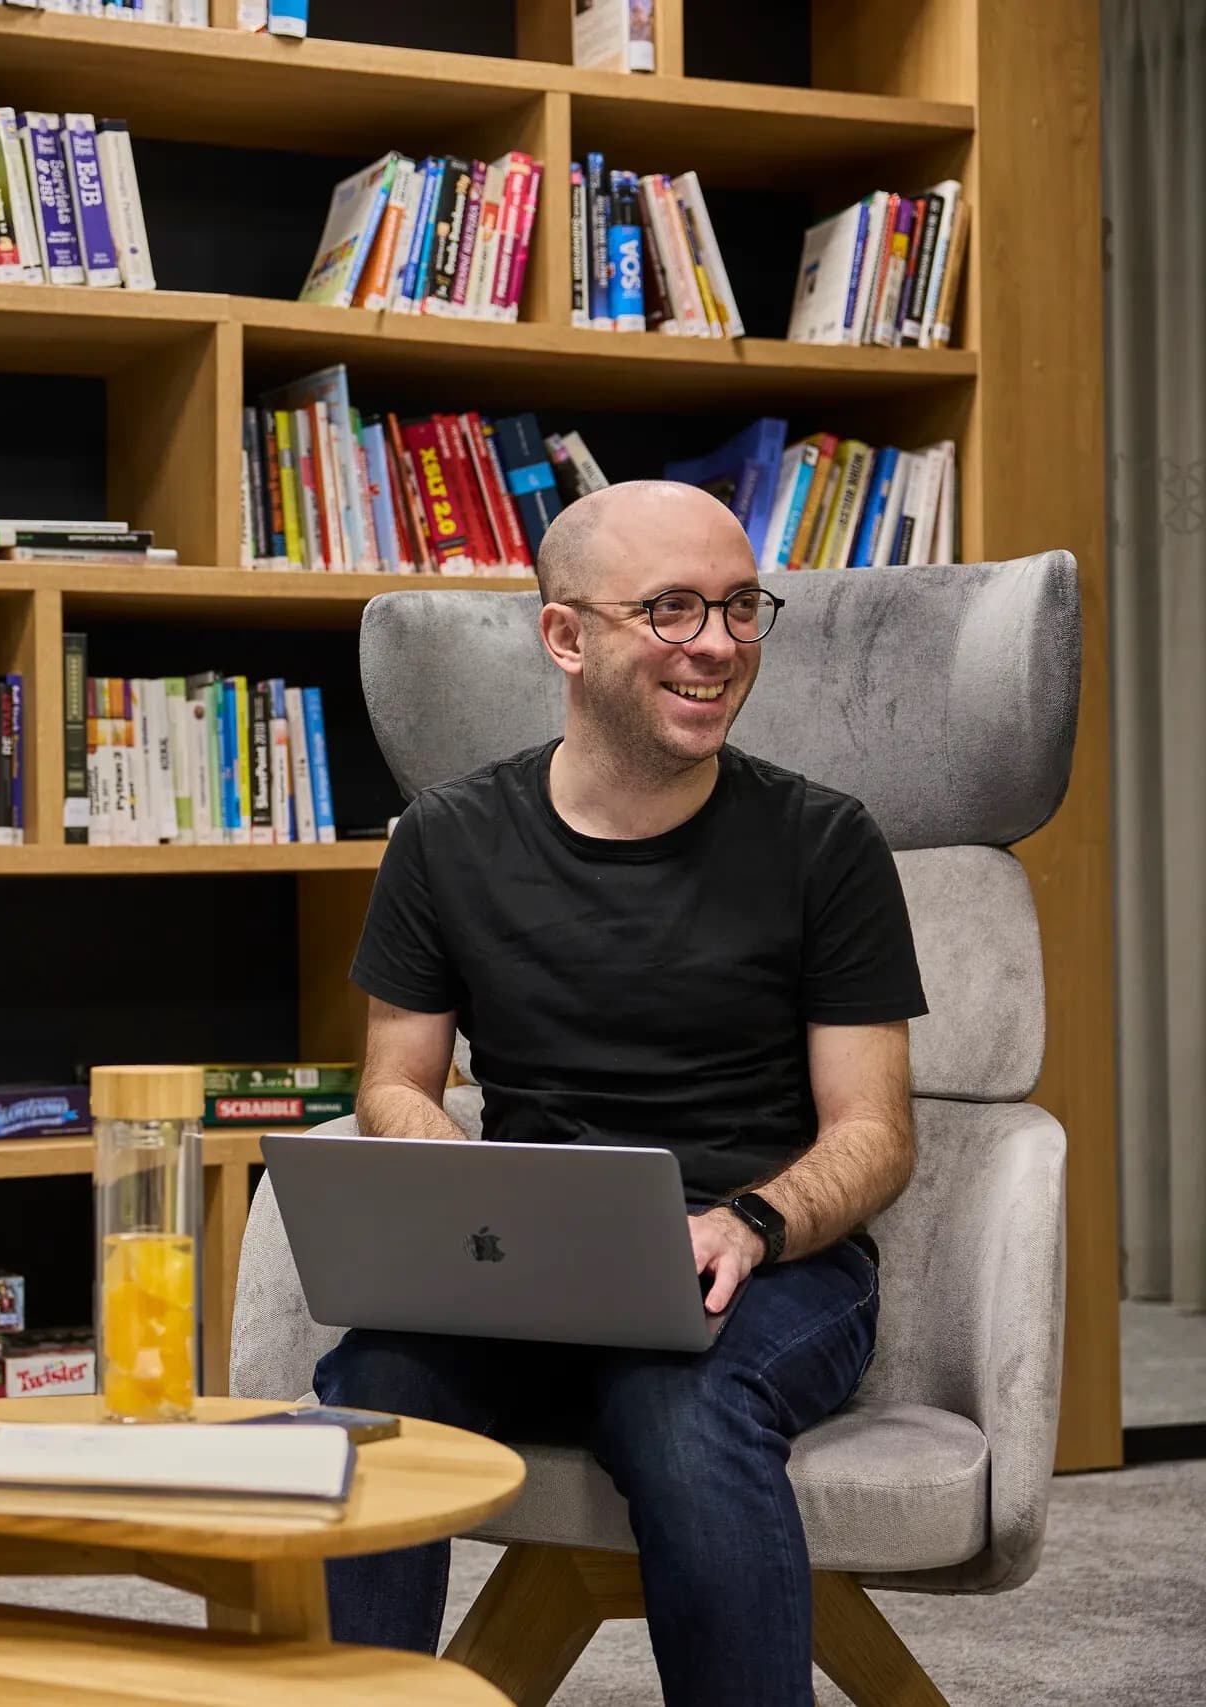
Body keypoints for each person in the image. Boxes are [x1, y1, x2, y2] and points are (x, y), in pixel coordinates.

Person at [321, 480, 926, 1707]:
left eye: (740, 606)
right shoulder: (444, 838)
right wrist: (447, 1174)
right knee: (372, 1395)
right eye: (670, 609)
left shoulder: (824, 842)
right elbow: (393, 1081)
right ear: (565, 636)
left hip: (765, 1265)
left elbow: (874, 1131)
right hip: (523, 1268)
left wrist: (748, 1226)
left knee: (680, 1403)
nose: (718, 644)